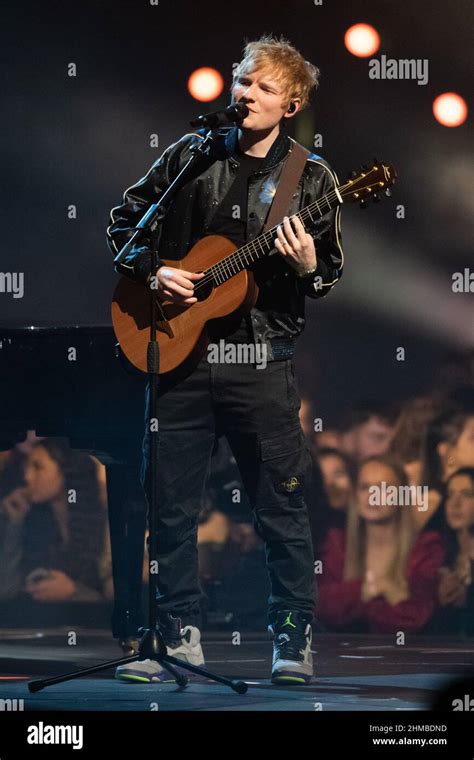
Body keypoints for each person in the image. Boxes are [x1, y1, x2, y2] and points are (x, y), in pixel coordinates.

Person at [106, 33, 344, 684]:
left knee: (279, 504)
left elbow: (329, 276)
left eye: (264, 87)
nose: (246, 94)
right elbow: (124, 223)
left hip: (261, 358)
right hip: (179, 354)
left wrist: (308, 265)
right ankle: (176, 635)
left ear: (290, 104)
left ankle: (291, 639)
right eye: (243, 81)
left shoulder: (311, 178)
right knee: (171, 505)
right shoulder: (191, 155)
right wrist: (154, 273)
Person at [316, 455, 445, 634]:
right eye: (364, 487)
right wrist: (369, 590)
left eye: (384, 488)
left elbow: (418, 617)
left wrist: (364, 599)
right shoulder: (337, 543)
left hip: (407, 656)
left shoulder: (425, 547)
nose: (372, 496)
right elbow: (321, 605)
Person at [0, 438, 112, 607]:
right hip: (41, 625)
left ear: (67, 471)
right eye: (27, 467)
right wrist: (14, 524)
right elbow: (6, 590)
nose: (27, 477)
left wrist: (74, 591)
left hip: (93, 627)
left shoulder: (107, 520)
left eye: (38, 467)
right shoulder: (34, 516)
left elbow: (121, 599)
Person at [429, 468, 474, 636]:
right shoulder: (439, 556)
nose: (455, 503)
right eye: (450, 495)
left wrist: (469, 598)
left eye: (467, 494)